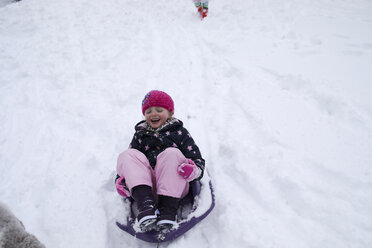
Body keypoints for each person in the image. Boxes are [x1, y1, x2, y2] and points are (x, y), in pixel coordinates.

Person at [115, 90, 205, 233]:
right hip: (147, 188)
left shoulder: (180, 133)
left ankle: (168, 209)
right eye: (148, 111)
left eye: (159, 110)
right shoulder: (140, 135)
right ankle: (146, 205)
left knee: (172, 153)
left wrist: (193, 170)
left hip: (174, 186)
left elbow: (197, 159)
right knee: (128, 154)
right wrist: (122, 181)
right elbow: (131, 165)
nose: (153, 114)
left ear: (170, 113)